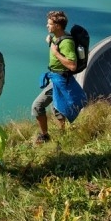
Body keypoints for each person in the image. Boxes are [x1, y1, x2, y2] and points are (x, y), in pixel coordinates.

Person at [31, 10, 87, 144]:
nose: (47, 26)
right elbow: (57, 47)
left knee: (37, 106)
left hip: (60, 79)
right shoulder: (57, 37)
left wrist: (56, 53)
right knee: (57, 108)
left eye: (49, 24)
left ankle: (45, 136)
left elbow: (72, 65)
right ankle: (63, 136)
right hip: (56, 77)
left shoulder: (66, 42)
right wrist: (50, 43)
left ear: (58, 26)